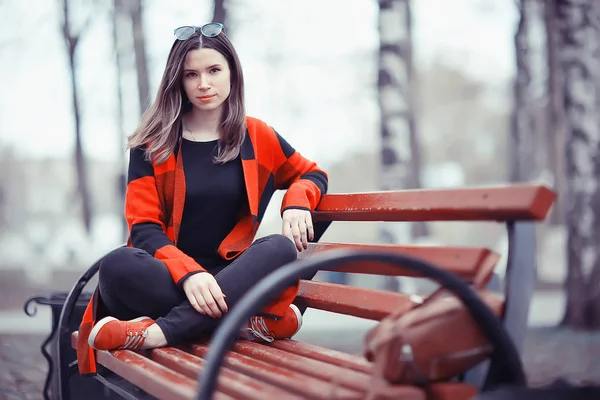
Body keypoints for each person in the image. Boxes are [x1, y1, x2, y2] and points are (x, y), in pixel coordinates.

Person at [76, 22, 328, 376]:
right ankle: (239, 324)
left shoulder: (257, 135)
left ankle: (158, 331)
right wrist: (189, 274)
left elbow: (313, 174)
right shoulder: (152, 144)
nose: (204, 83)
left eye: (213, 70)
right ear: (178, 80)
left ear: (232, 73)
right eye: (191, 74)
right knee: (117, 264)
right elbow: (144, 229)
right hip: (165, 279)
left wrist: (298, 200)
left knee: (279, 249)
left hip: (228, 278)